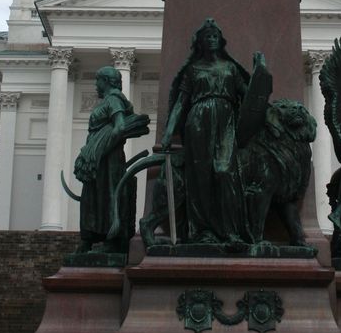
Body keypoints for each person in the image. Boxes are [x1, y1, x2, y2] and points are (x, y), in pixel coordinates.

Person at [161, 18, 250, 244]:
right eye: (207, 37)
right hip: (198, 121)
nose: (211, 40)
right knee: (200, 178)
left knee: (224, 171)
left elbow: (248, 95)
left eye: (215, 36)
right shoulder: (193, 69)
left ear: (220, 41)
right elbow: (181, 102)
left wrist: (260, 75)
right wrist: (168, 133)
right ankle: (203, 231)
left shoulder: (230, 68)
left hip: (225, 120)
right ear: (200, 42)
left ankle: (230, 231)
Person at [73, 66, 149, 252]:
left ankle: (111, 241)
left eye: (98, 80)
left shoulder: (114, 99)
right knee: (93, 197)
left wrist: (100, 147)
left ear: (106, 81)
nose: (95, 84)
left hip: (108, 158)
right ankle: (89, 239)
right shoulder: (108, 100)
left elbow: (120, 127)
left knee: (108, 195)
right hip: (100, 159)